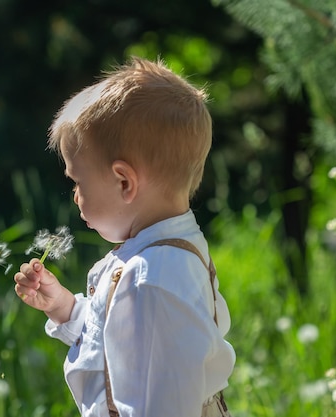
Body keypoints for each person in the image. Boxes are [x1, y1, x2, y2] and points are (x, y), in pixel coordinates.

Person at [13, 57, 235, 417]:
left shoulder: (153, 278)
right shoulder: (159, 259)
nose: (74, 195)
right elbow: (121, 344)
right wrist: (65, 309)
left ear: (124, 182)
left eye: (77, 181)